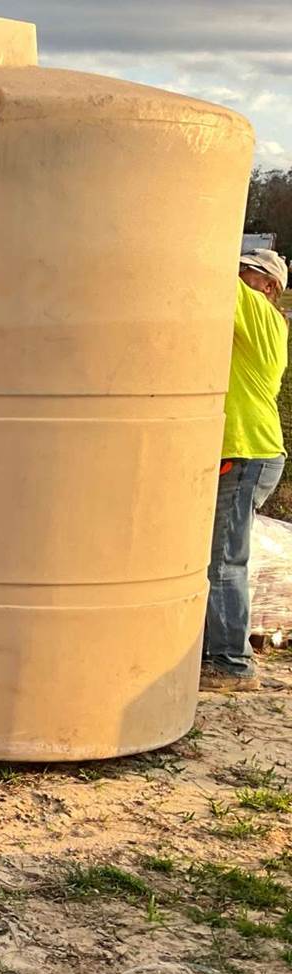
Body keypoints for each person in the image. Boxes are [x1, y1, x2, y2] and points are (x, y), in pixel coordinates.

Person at [202, 248, 289, 691]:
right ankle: (213, 650)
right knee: (216, 556)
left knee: (223, 560)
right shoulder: (258, 323)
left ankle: (231, 662)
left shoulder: (258, 309)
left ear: (269, 286)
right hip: (248, 452)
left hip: (247, 451)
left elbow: (212, 272)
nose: (238, 276)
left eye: (247, 272)